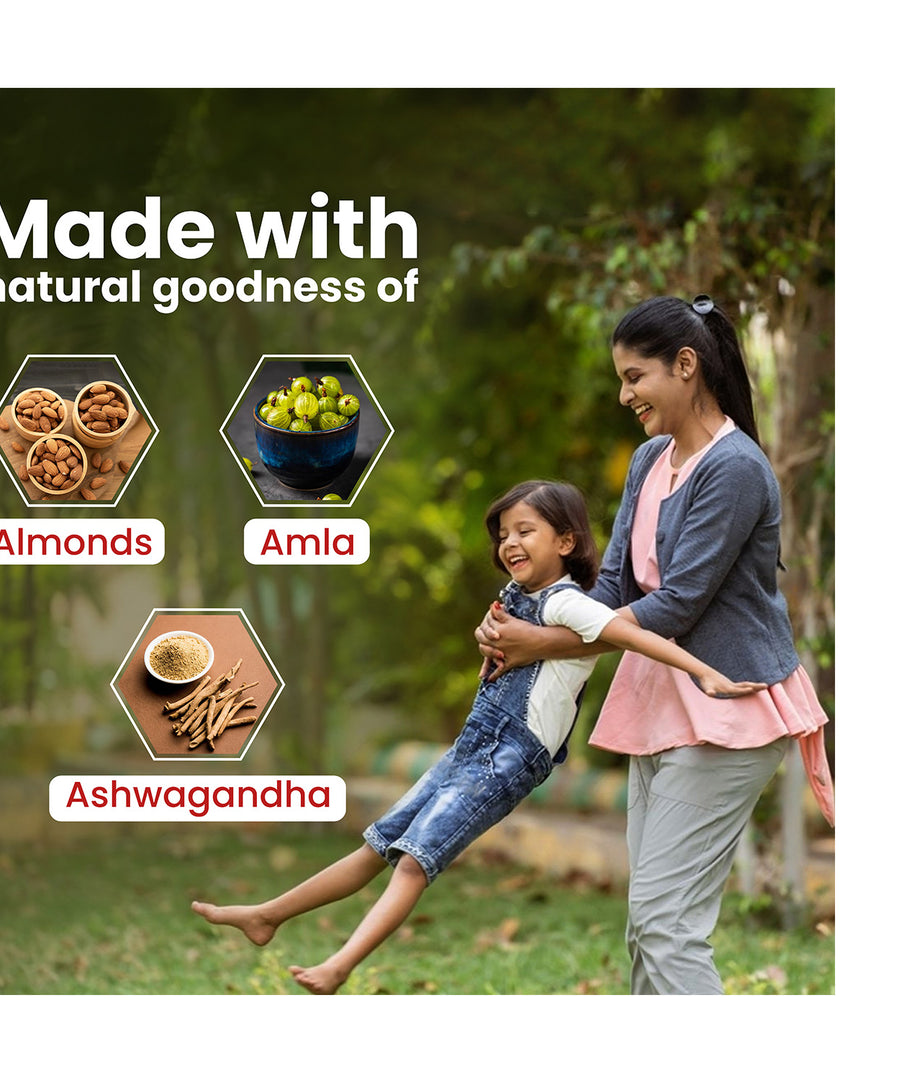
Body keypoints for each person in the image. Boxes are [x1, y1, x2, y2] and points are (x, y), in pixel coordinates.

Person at [193, 478, 765, 994]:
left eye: (526, 531)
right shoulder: (516, 600)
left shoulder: (569, 603)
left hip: (511, 754)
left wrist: (703, 670)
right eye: (503, 535)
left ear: (566, 541)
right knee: (377, 845)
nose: (509, 544)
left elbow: (633, 636)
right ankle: (268, 914)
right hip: (474, 744)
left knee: (416, 860)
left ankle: (341, 965)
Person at [476, 294, 835, 995]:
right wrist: (517, 623)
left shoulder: (735, 468)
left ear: (686, 366)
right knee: (650, 924)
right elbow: (612, 586)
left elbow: (677, 604)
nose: (624, 394)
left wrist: (541, 645)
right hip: (662, 702)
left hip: (732, 704)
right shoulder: (650, 459)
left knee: (667, 921)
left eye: (635, 377)